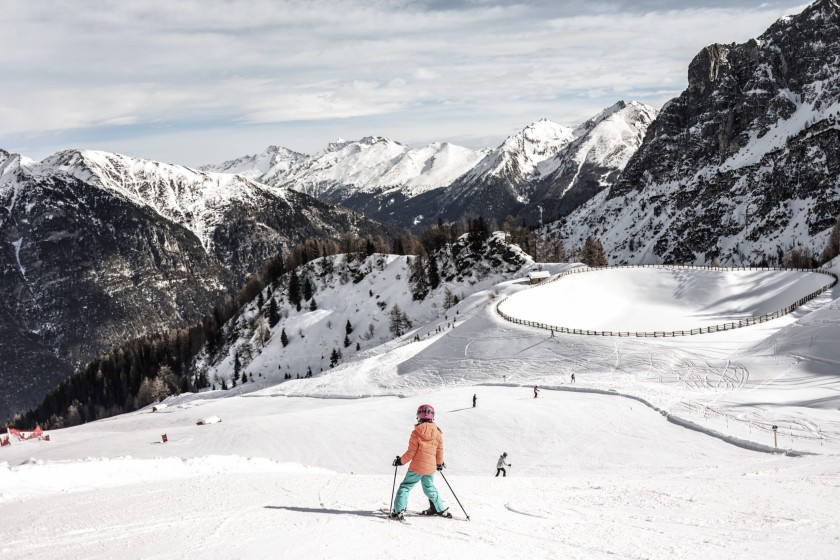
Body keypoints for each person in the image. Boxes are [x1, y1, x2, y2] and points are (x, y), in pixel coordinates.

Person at [390, 404, 450, 519]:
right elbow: (439, 451)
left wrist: (400, 461)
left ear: (419, 416)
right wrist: (439, 463)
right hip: (430, 468)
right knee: (429, 487)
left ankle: (398, 511)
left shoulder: (416, 432)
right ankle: (439, 509)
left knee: (405, 486)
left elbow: (411, 452)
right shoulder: (438, 433)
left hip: (416, 467)